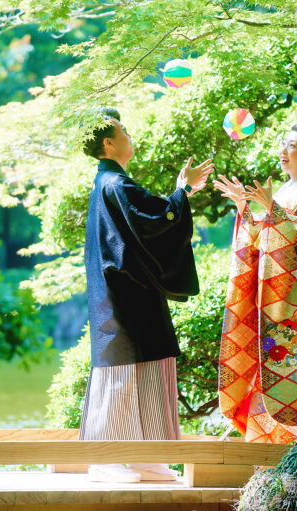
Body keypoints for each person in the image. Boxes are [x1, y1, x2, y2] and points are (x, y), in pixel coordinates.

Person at [80, 109, 214, 482]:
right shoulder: (114, 184)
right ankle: (103, 459)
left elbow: (151, 219)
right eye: (122, 131)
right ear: (108, 143)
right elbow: (155, 221)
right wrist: (183, 190)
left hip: (135, 293)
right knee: (120, 374)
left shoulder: (112, 183)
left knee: (150, 372)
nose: (129, 134)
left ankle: (149, 457)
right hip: (122, 297)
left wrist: (181, 191)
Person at [213, 123, 297, 443]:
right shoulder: (286, 192)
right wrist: (245, 209)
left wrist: (273, 210)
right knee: (268, 359)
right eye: (282, 144)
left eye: (291, 146)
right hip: (274, 301)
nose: (282, 151)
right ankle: (266, 450)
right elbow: (262, 239)